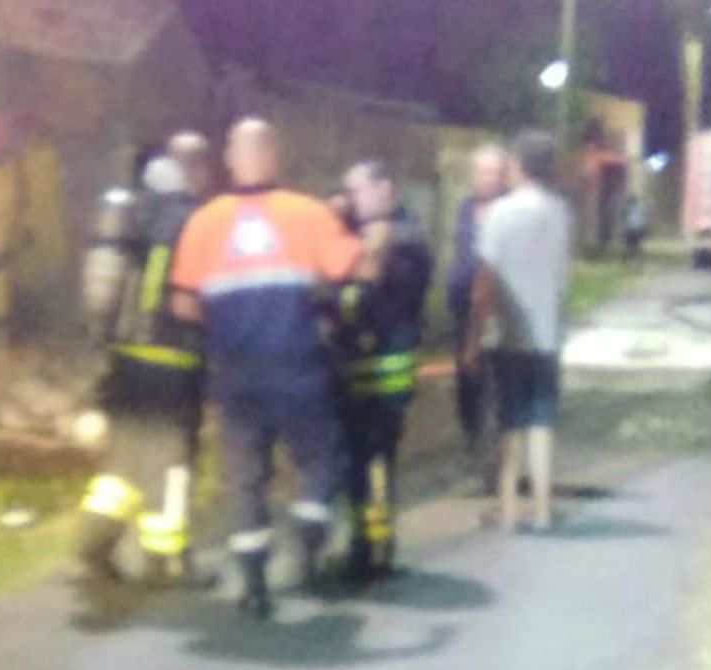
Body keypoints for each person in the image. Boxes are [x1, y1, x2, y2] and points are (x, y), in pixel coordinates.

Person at [171, 117, 367, 619]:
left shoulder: (203, 222)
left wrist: (227, 315)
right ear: (275, 157)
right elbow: (355, 268)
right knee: (324, 458)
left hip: (236, 375)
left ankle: (254, 586)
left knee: (245, 480)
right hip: (299, 367)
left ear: (231, 161)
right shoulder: (310, 213)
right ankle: (308, 526)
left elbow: (184, 307)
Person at [68, 141, 213, 626]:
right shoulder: (193, 219)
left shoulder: (129, 215)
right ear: (187, 174)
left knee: (125, 457)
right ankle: (164, 561)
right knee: (172, 465)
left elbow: (107, 293)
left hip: (126, 357)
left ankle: (94, 541)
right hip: (174, 357)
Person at [464, 130, 572, 532]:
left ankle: (509, 510)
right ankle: (542, 510)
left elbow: (485, 282)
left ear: (521, 166)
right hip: (549, 333)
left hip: (510, 332)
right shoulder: (561, 212)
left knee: (510, 422)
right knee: (542, 421)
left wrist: (473, 337)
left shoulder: (500, 214)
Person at [335, 160, 432, 582]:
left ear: (384, 189)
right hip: (367, 364)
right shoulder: (392, 233)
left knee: (372, 457)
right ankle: (369, 539)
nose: (350, 200)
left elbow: (366, 297)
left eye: (356, 191)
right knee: (363, 458)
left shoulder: (400, 240)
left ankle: (371, 547)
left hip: (383, 367)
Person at [447, 144, 509, 493]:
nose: (488, 179)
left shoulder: (511, 210)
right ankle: (473, 445)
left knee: (497, 385)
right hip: (463, 309)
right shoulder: (466, 208)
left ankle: (495, 463)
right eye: (483, 172)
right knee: (467, 383)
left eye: (495, 172)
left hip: (498, 310)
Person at [621, 192, 649, 266]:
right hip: (637, 229)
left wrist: (624, 227)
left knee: (629, 246)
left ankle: (630, 260)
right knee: (636, 246)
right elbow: (644, 219)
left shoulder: (628, 209)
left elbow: (625, 219)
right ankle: (634, 260)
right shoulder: (640, 208)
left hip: (631, 229)